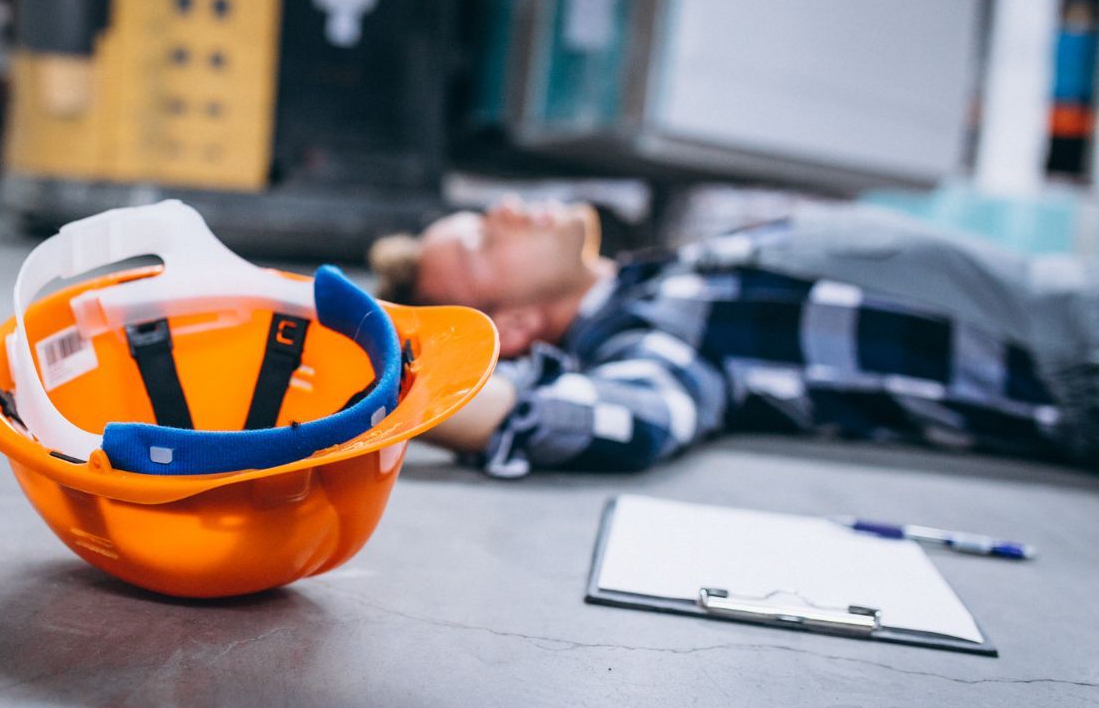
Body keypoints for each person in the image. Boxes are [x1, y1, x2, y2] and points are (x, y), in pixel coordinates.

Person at [369, 198, 1099, 477]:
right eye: (477, 247)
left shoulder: (658, 280)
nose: (500, 209)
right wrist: (384, 389)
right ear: (517, 325)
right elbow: (628, 418)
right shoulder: (659, 332)